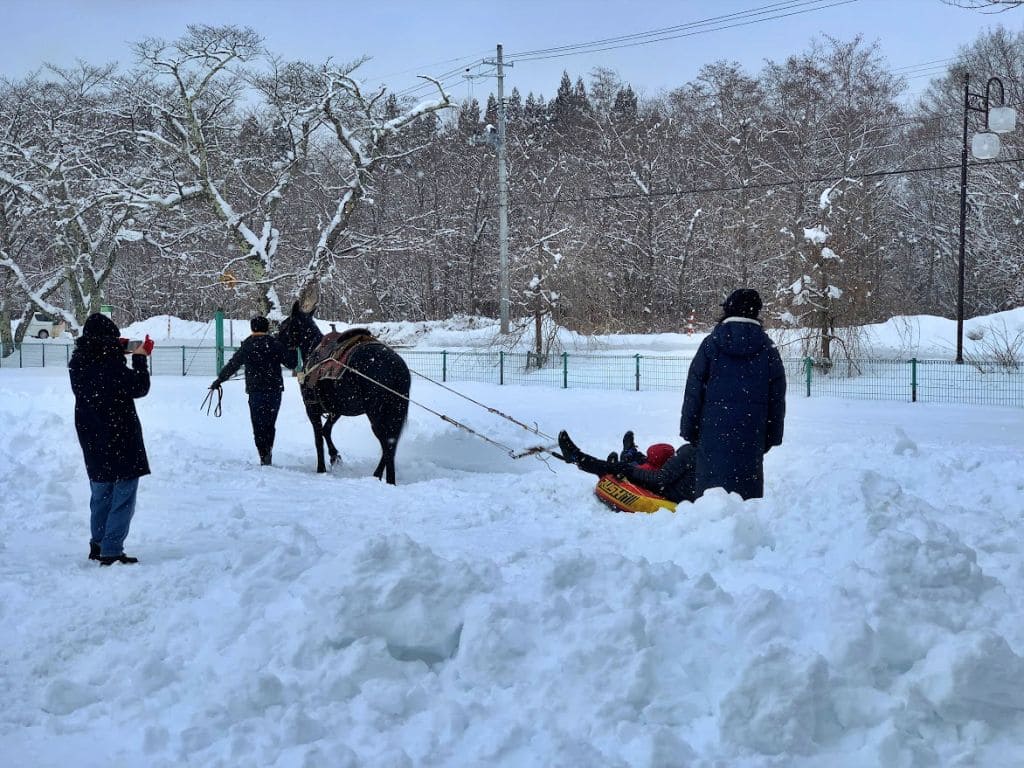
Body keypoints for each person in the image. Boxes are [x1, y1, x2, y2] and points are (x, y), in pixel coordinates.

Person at [680, 288, 786, 500]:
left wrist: (689, 430)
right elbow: (777, 398)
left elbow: (694, 391)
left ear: (728, 309)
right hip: (751, 433)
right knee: (745, 500)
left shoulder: (711, 345)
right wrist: (772, 436)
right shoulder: (768, 349)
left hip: (712, 432)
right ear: (756, 312)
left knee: (711, 497)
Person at [68, 313, 154, 566]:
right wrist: (139, 358)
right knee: (124, 491)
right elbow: (139, 387)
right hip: (120, 434)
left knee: (101, 490)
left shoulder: (78, 362)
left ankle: (97, 543)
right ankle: (112, 548)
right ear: (108, 338)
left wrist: (114, 349)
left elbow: (100, 373)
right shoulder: (111, 365)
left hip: (91, 433)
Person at [210, 316, 297, 466]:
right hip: (274, 390)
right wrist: (292, 348)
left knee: (258, 423)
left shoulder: (248, 345)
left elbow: (233, 365)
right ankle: (268, 450)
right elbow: (292, 363)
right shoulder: (274, 344)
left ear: (252, 328)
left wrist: (219, 380)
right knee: (270, 423)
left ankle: (262, 453)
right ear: (267, 328)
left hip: (255, 390)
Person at [557, 429, 698, 504]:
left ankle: (577, 457)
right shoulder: (705, 452)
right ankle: (631, 455)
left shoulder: (691, 451)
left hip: (668, 491)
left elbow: (659, 478)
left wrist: (629, 471)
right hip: (677, 486)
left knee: (616, 468)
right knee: (657, 458)